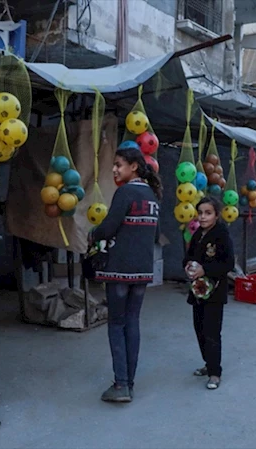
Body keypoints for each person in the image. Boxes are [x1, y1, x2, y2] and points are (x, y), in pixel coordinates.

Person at [90, 145, 162, 403]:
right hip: (142, 270)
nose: (114, 169)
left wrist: (93, 234)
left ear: (133, 166)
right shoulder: (152, 196)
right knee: (132, 322)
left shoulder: (125, 192)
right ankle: (128, 382)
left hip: (120, 269)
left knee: (116, 324)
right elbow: (155, 234)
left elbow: (108, 228)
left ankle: (121, 385)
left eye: (118, 164)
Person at [183, 196, 234, 390]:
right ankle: (208, 363)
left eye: (208, 213)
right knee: (199, 329)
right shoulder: (198, 234)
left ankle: (215, 373)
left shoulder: (221, 234)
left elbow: (227, 263)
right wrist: (188, 266)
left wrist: (204, 270)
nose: (203, 217)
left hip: (215, 292)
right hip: (197, 292)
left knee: (212, 331)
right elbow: (188, 256)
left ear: (217, 215)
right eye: (201, 213)